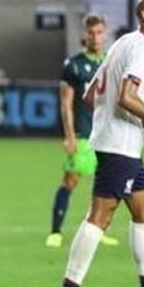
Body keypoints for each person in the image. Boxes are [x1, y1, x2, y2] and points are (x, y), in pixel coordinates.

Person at [51, 0, 144, 287]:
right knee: (100, 216)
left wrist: (105, 120)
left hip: (122, 145)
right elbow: (127, 96)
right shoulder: (141, 48)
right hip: (119, 145)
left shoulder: (122, 44)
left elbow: (89, 96)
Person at [46, 14, 119, 248]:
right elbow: (66, 103)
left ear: (105, 34)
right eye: (91, 33)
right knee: (70, 181)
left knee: (108, 186)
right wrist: (69, 136)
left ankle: (98, 229)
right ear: (84, 35)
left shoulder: (111, 62)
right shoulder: (74, 65)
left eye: (99, 32)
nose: (95, 37)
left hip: (108, 136)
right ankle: (55, 231)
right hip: (83, 135)